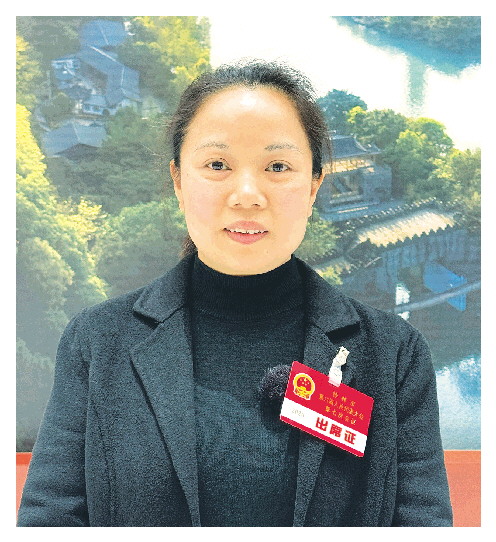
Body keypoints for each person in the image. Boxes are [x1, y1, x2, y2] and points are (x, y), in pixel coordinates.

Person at [17, 59, 453, 527]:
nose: (247, 194)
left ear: (314, 186)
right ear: (179, 182)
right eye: (217, 165)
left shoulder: (393, 354)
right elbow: (50, 519)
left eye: (278, 166)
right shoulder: (97, 342)